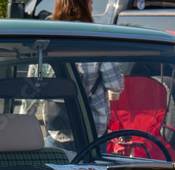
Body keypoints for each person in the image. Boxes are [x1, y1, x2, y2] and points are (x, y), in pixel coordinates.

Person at [52, 0, 124, 136]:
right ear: (82, 7)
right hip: (91, 130)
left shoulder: (46, 38)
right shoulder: (96, 39)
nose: (92, 8)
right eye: (90, 4)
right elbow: (115, 85)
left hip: (57, 127)